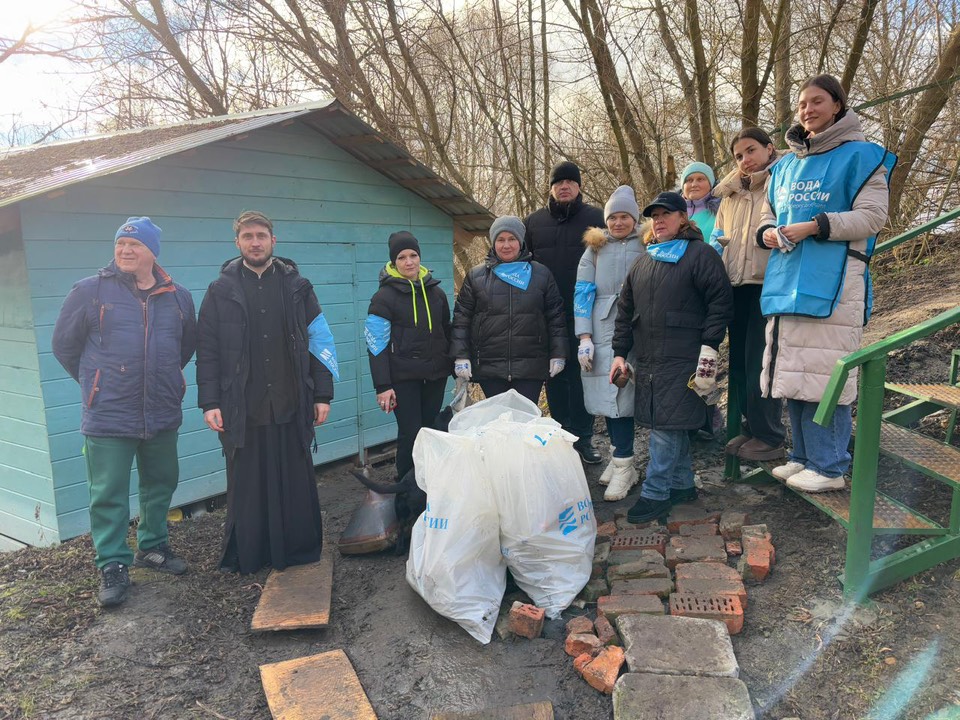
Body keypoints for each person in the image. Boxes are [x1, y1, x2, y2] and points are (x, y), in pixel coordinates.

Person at [52, 217, 197, 607]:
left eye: (135, 244)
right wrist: (96, 383)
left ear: (153, 252)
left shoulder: (179, 297)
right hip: (109, 414)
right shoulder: (89, 291)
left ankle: (152, 546)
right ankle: (113, 563)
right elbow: (64, 346)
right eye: (120, 243)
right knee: (108, 493)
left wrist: (163, 379)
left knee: (160, 482)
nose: (125, 250)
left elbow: (185, 348)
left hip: (162, 409)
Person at [758, 74, 894, 492]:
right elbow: (768, 212)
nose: (808, 110)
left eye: (817, 101)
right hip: (787, 277)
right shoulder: (784, 167)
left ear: (837, 105)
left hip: (835, 281)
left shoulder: (863, 156)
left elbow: (873, 217)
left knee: (825, 375)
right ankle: (803, 456)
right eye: (802, 103)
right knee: (795, 370)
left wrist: (815, 226)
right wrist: (767, 232)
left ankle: (830, 465)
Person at [196, 211, 337, 573]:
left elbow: (319, 341)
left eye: (261, 235)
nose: (255, 242)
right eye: (248, 236)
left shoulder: (298, 287)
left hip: (291, 401)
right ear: (237, 243)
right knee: (249, 484)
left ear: (273, 240)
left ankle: (298, 550)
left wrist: (322, 394)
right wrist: (209, 402)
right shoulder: (219, 291)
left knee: (294, 480)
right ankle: (252, 553)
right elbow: (207, 350)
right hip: (243, 406)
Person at [610, 192, 733, 523]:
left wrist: (710, 347)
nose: (659, 220)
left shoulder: (701, 254)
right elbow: (625, 312)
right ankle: (681, 485)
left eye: (666, 214)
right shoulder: (644, 261)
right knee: (668, 422)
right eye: (654, 216)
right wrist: (619, 354)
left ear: (683, 218)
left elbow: (720, 302)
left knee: (665, 426)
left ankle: (655, 493)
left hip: (686, 357)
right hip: (649, 359)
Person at [713, 127, 787, 462]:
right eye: (739, 155)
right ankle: (749, 425)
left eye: (751, 150)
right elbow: (720, 237)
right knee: (741, 361)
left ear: (770, 149)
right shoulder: (729, 195)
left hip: (767, 284)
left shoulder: (781, 181)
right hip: (735, 285)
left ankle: (770, 435)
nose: (745, 160)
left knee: (762, 360)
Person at [525, 161, 605, 463]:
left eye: (570, 181)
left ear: (579, 186)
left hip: (587, 312)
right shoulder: (533, 223)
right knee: (556, 376)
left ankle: (584, 438)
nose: (564, 186)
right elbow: (522, 265)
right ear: (550, 188)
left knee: (583, 374)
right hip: (547, 314)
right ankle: (561, 436)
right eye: (558, 182)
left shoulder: (596, 219)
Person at [574, 186, 645, 501]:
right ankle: (620, 458)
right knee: (607, 394)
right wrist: (584, 336)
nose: (618, 223)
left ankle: (625, 463)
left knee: (626, 393)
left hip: (639, 326)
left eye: (625, 216)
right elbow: (582, 291)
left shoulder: (647, 243)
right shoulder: (595, 248)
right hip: (602, 327)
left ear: (635, 218)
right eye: (613, 217)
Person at [451, 215, 567, 404]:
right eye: (500, 240)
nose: (506, 245)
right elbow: (461, 319)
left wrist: (558, 353)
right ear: (493, 242)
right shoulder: (476, 276)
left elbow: (556, 317)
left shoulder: (541, 274)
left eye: (512, 239)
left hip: (530, 367)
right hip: (490, 368)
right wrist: (460, 356)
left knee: (525, 419)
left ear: (521, 241)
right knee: (497, 420)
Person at [365, 231, 452, 481]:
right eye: (401, 257)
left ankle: (430, 484)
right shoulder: (383, 298)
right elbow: (376, 345)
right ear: (394, 262)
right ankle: (405, 485)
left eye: (413, 255)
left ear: (420, 257)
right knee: (411, 433)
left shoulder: (437, 293)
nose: (409, 262)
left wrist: (455, 363)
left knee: (431, 430)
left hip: (435, 376)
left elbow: (446, 331)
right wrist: (383, 386)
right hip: (403, 379)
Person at [680, 162, 721, 248]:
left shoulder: (722, 209)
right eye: (689, 180)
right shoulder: (671, 212)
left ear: (711, 184)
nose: (694, 184)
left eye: (700, 179)